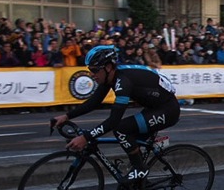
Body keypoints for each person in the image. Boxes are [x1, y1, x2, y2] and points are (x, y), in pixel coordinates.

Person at [51, 45, 180, 182]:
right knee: (130, 136)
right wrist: (66, 116)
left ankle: (140, 169)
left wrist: (85, 137)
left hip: (168, 110)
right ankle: (140, 179)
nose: (92, 74)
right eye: (90, 70)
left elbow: (113, 120)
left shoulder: (123, 82)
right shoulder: (111, 76)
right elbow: (93, 103)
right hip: (155, 107)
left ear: (108, 67)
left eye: (95, 70)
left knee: (121, 129)